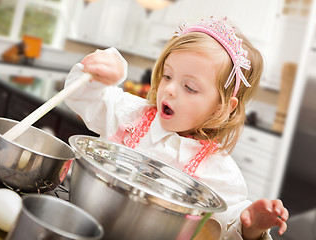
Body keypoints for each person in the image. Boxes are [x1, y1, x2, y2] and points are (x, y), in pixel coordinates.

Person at [64, 17, 288, 240]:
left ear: (220, 107)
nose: (169, 89)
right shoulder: (129, 114)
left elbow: (228, 230)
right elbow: (81, 96)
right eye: (167, 75)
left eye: (189, 87)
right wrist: (99, 72)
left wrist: (252, 227)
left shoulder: (220, 171)